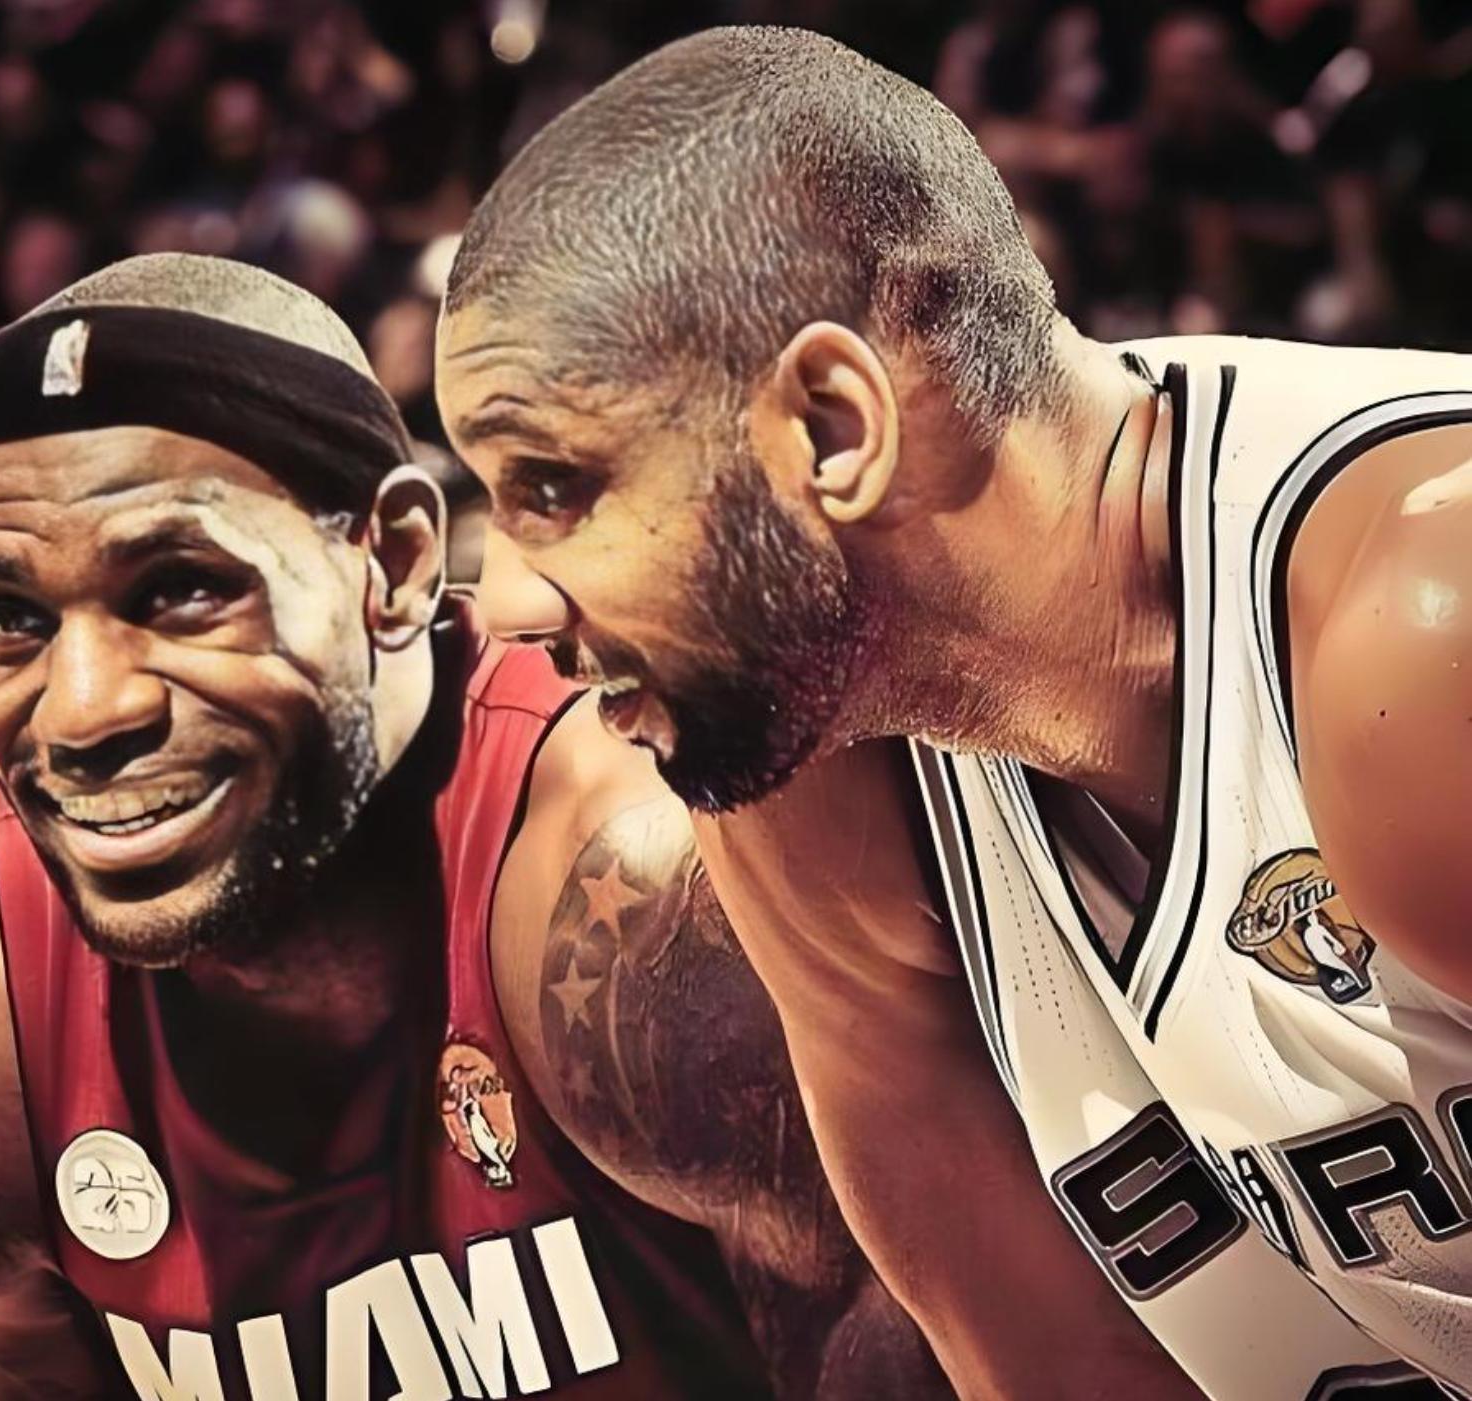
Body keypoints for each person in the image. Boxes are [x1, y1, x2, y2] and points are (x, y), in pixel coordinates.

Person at [435, 25, 1472, 1397]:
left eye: (554, 490)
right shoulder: (805, 783)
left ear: (833, 428)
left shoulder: (1425, 625)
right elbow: (1057, 1372)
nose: (504, 599)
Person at [0, 254, 942, 1400]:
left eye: (182, 589)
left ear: (394, 563)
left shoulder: (644, 894)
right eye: (8, 619)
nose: (85, 711)